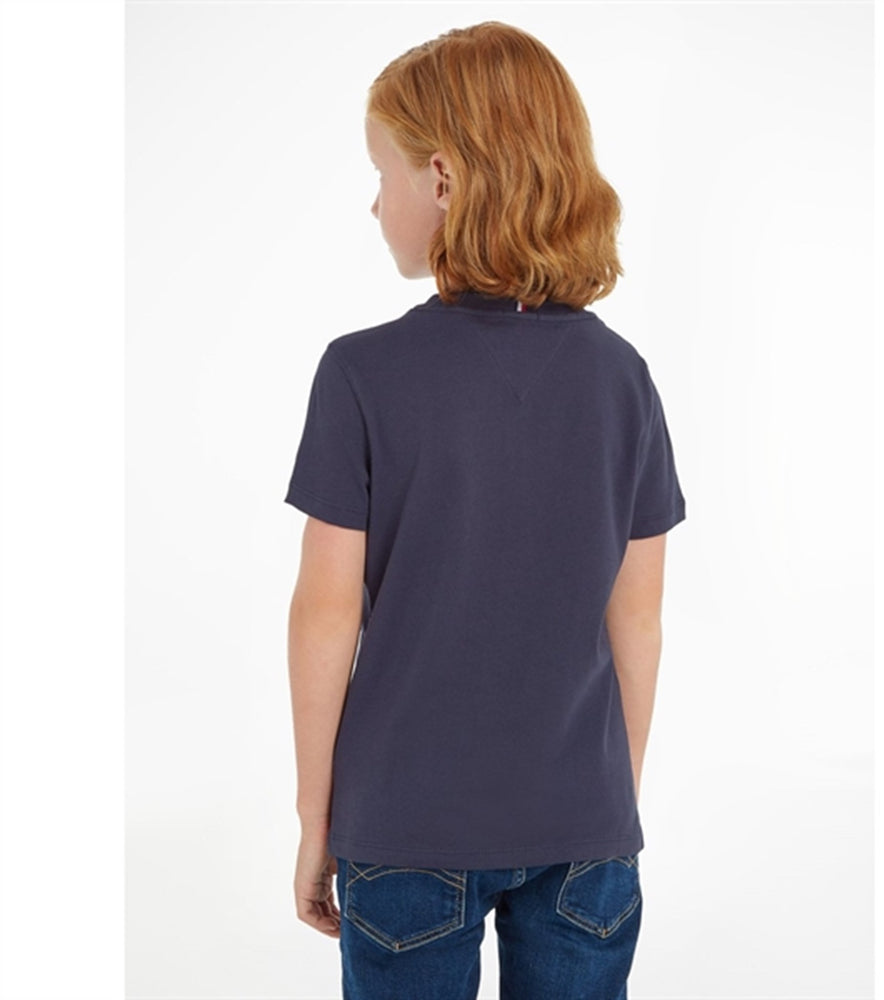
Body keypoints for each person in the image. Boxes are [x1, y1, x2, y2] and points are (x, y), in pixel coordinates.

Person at [284, 21, 686, 1000]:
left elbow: (325, 615)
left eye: (380, 173)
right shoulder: (622, 377)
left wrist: (314, 819)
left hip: (405, 825)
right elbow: (636, 619)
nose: (372, 201)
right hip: (584, 829)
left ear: (442, 179)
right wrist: (608, 806)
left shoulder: (362, 373)